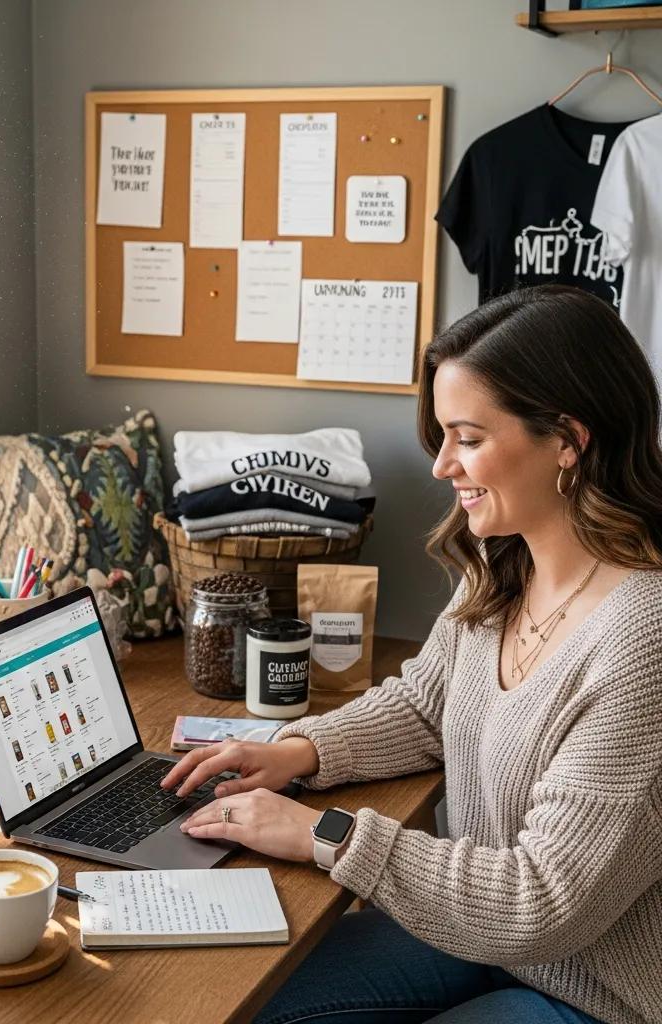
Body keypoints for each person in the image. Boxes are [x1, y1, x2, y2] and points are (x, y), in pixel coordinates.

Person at [161, 286, 662, 1024]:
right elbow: (428, 704)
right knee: (241, 1002)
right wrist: (298, 750)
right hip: (478, 938)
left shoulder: (642, 639)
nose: (442, 466)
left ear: (568, 440)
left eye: (469, 438)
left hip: (597, 993)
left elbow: (542, 901)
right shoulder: (503, 564)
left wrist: (322, 834)